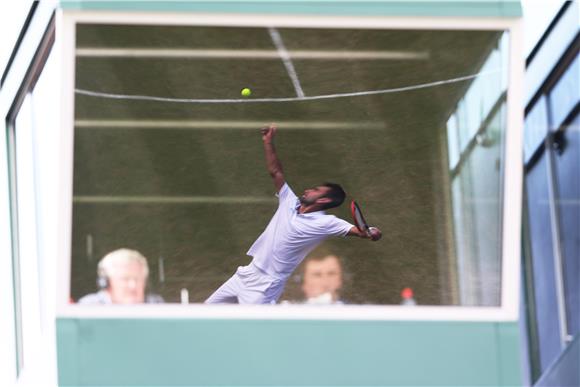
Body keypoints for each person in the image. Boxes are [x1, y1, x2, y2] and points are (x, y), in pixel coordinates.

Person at [205, 124, 381, 304]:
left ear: (322, 201)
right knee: (203, 315)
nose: (307, 190)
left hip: (265, 286)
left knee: (253, 331)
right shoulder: (290, 201)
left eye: (315, 190)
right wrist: (268, 142)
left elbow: (361, 232)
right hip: (246, 274)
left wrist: (372, 232)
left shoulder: (327, 222)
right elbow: (276, 172)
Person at [78, 248, 164, 304]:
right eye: (125, 279)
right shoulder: (89, 307)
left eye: (137, 279)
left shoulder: (155, 305)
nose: (132, 286)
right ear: (105, 282)